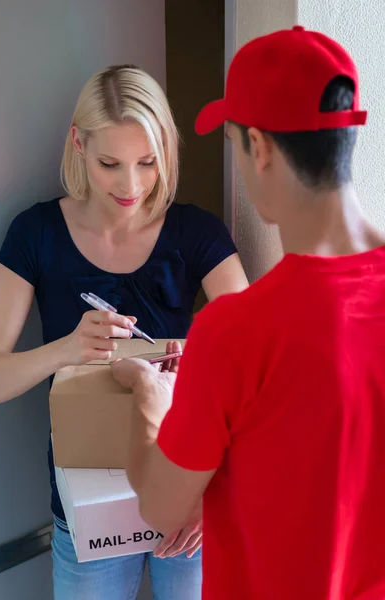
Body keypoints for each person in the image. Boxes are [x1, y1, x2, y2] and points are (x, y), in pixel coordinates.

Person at [111, 27, 385, 600]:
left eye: (234, 143)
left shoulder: (237, 330)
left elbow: (162, 504)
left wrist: (149, 402)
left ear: (258, 147)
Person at [0, 64, 248, 600]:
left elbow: (261, 363)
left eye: (148, 163)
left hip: (191, 491)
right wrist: (65, 350)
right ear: (78, 145)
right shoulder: (35, 233)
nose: (131, 186)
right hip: (86, 494)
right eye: (110, 164)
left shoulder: (197, 233)